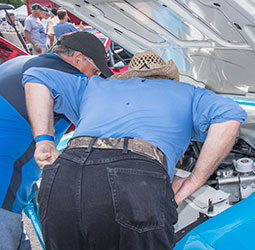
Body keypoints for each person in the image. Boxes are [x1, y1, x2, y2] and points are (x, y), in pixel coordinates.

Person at [22, 50, 247, 250]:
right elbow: (230, 115)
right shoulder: (188, 91)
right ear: (168, 76)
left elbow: (36, 76)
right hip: (134, 176)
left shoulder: (97, 85)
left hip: (65, 173)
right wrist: (194, 180)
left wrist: (44, 140)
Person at [0, 31, 112, 250]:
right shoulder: (64, 76)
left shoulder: (21, 62)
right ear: (78, 59)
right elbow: (101, 126)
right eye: (95, 70)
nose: (94, 78)